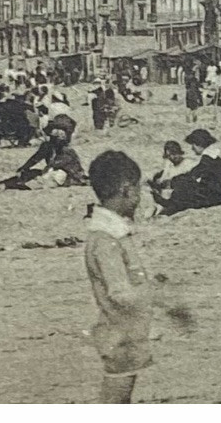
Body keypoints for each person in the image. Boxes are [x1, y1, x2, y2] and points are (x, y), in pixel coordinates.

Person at [84, 150, 153, 404]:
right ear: (126, 190)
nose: (139, 198)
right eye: (138, 190)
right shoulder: (106, 241)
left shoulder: (109, 234)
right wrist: (155, 296)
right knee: (116, 396)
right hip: (119, 335)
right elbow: (119, 291)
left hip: (124, 332)